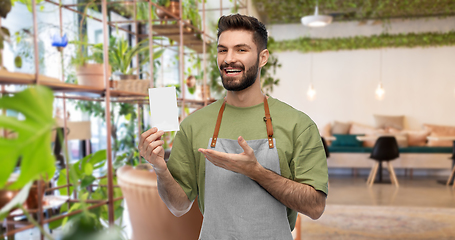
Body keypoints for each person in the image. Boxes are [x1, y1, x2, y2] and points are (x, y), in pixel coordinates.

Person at [139, 14, 328, 239]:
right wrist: (160, 168)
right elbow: (178, 206)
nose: (229, 59)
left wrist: (256, 172)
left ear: (263, 57)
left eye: (241, 50)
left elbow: (315, 207)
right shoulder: (194, 125)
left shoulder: (298, 124)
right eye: (222, 50)